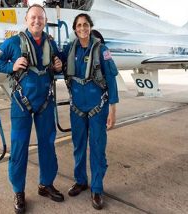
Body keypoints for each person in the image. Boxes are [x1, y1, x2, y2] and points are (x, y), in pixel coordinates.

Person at [0, 4, 64, 214]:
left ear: (45, 20)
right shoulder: (14, 42)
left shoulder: (51, 42)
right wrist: (10, 67)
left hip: (45, 103)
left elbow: (59, 63)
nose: (37, 21)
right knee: (20, 147)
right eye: (33, 18)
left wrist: (59, 66)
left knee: (47, 144)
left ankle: (45, 184)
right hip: (21, 103)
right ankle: (19, 191)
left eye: (40, 18)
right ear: (26, 20)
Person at [63, 13, 119, 210]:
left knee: (97, 147)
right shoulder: (70, 50)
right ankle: (81, 181)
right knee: (78, 146)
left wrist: (112, 109)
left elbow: (111, 80)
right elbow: (56, 62)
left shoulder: (102, 50)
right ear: (75, 29)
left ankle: (97, 188)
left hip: (98, 108)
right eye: (78, 25)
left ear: (90, 27)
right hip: (77, 107)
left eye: (85, 25)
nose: (82, 28)